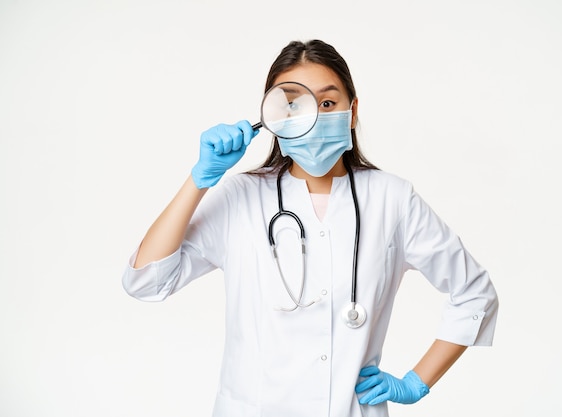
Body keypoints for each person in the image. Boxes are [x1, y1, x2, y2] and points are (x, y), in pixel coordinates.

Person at [122, 39, 498, 417]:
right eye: (294, 105)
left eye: (328, 103)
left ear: (352, 112)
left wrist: (417, 382)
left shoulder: (392, 198)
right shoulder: (241, 196)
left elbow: (474, 292)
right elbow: (146, 281)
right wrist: (198, 181)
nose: (314, 117)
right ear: (274, 118)